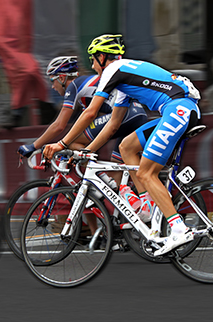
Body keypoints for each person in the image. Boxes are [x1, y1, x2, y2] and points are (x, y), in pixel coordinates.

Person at [44, 34, 201, 256]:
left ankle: (179, 229)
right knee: (127, 146)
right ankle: (146, 205)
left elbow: (90, 112)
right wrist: (87, 152)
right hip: (177, 110)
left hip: (178, 109)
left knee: (147, 173)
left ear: (101, 57)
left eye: (92, 59)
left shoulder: (113, 70)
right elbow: (112, 125)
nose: (92, 66)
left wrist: (62, 143)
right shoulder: (122, 82)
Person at [19, 55, 148, 234]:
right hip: (136, 115)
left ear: (62, 78)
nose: (52, 86)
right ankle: (127, 222)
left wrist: (33, 146)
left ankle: (100, 178)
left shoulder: (74, 86)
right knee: (119, 175)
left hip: (123, 115)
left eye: (53, 81)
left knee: (75, 142)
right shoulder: (86, 86)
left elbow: (59, 125)